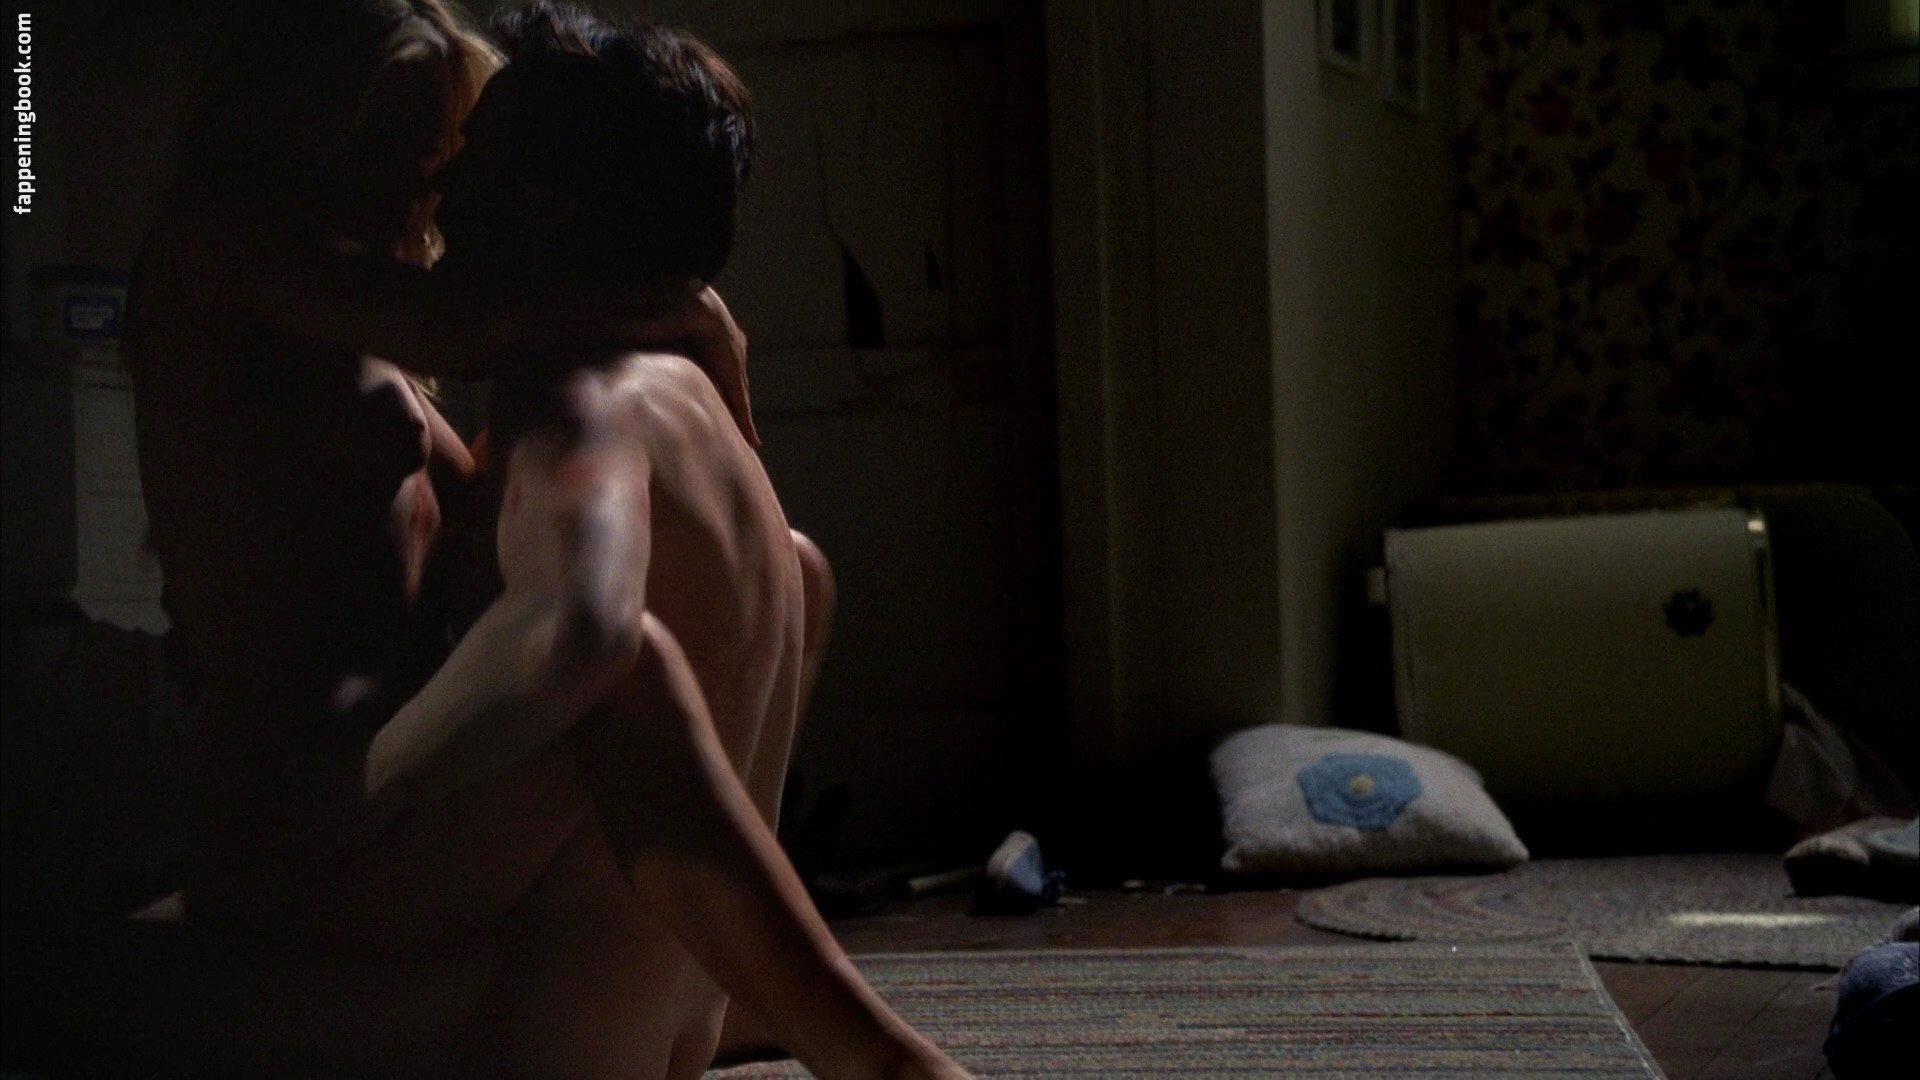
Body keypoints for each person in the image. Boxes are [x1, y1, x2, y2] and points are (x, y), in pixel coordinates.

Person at [47, 0, 961, 1075]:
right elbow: (471, 328)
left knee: (789, 572)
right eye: (388, 143)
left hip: (391, 789)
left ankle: (686, 991)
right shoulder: (220, 237)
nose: (424, 185)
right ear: (295, 120)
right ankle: (862, 1050)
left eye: (434, 149)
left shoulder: (367, 325)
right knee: (614, 661)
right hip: (307, 802)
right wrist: (688, 312)